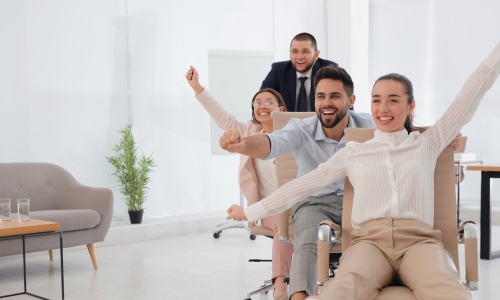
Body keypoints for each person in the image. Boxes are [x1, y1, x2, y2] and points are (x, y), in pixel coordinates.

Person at [224, 42, 500, 300]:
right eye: (377, 100)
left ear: (410, 105)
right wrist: (250, 212)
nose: (383, 108)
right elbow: (301, 186)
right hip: (368, 243)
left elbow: (471, 93)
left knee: (449, 291)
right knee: (340, 291)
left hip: (420, 243)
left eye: (393, 100)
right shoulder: (355, 151)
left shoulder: (428, 142)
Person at [221, 65, 376, 300]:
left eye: (335, 96)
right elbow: (271, 142)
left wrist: (450, 142)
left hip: (359, 201)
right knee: (307, 243)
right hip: (314, 202)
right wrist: (242, 145)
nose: (326, 103)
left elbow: (406, 136)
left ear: (351, 100)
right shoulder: (301, 128)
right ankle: (299, 297)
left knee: (371, 246)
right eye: (321, 96)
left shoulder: (369, 126)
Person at [185, 66, 293, 300]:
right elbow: (221, 115)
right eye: (257, 103)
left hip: (297, 203)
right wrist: (197, 87)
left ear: (281, 108)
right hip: (268, 207)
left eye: (268, 102)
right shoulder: (249, 132)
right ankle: (281, 287)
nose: (262, 105)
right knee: (283, 223)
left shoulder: (294, 134)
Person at [261, 32, 338, 112]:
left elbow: (345, 104)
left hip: (320, 124)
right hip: (286, 123)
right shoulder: (279, 70)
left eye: (305, 51)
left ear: (316, 55)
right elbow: (261, 100)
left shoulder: (330, 70)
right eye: (295, 51)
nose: (299, 57)